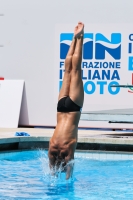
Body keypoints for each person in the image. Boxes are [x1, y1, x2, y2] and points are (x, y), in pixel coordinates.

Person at [48, 22, 84, 179]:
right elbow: (52, 173)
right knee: (67, 71)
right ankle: (73, 38)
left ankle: (80, 38)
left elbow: (69, 177)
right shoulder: (51, 150)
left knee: (76, 70)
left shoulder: (68, 153)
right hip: (61, 107)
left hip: (73, 108)